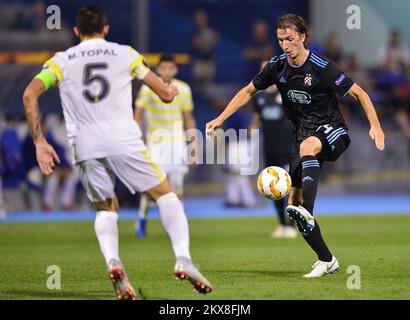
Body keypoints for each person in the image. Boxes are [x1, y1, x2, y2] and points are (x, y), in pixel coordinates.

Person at [22, 6, 212, 299]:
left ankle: (114, 262)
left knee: (105, 208)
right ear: (106, 29)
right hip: (123, 140)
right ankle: (183, 258)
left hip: (84, 144)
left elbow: (29, 94)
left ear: (76, 31)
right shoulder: (125, 53)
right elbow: (163, 92)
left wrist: (40, 141)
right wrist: (169, 92)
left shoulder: (60, 61)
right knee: (166, 194)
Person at [206, 14, 385, 278]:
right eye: (280, 40)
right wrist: (220, 119)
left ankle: (307, 212)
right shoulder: (276, 66)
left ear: (303, 37)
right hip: (303, 137)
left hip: (333, 131)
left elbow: (360, 93)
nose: (285, 45)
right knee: (294, 205)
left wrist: (376, 126)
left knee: (308, 150)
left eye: (290, 39)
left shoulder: (322, 67)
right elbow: (247, 91)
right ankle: (327, 259)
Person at [134, 54, 197, 238]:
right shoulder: (148, 89)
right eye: (163, 68)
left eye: (171, 68)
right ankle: (142, 217)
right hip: (156, 145)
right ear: (158, 69)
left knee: (178, 187)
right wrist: (137, 142)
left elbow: (188, 119)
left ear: (175, 70)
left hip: (177, 144)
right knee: (152, 188)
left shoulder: (184, 89)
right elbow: (137, 116)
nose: (167, 71)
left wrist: (193, 146)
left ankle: (179, 226)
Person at [249, 59, 297, 238]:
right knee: (273, 186)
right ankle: (281, 224)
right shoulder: (259, 97)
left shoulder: (287, 92)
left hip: (290, 145)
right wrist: (252, 128)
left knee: (291, 185)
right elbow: (257, 120)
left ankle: (292, 224)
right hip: (270, 146)